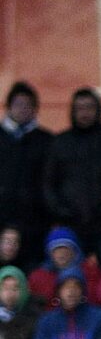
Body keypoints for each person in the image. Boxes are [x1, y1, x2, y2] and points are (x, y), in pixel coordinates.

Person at [42, 89, 101, 266]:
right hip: (71, 223)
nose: (84, 113)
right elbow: (48, 183)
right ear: (72, 111)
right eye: (79, 108)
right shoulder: (61, 142)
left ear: (98, 109)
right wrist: (61, 211)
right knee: (69, 275)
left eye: (89, 108)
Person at [0, 81, 52, 263]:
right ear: (8, 107)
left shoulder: (46, 140)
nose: (23, 109)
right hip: (2, 214)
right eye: (18, 104)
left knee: (32, 267)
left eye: (28, 105)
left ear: (35, 109)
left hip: (35, 220)